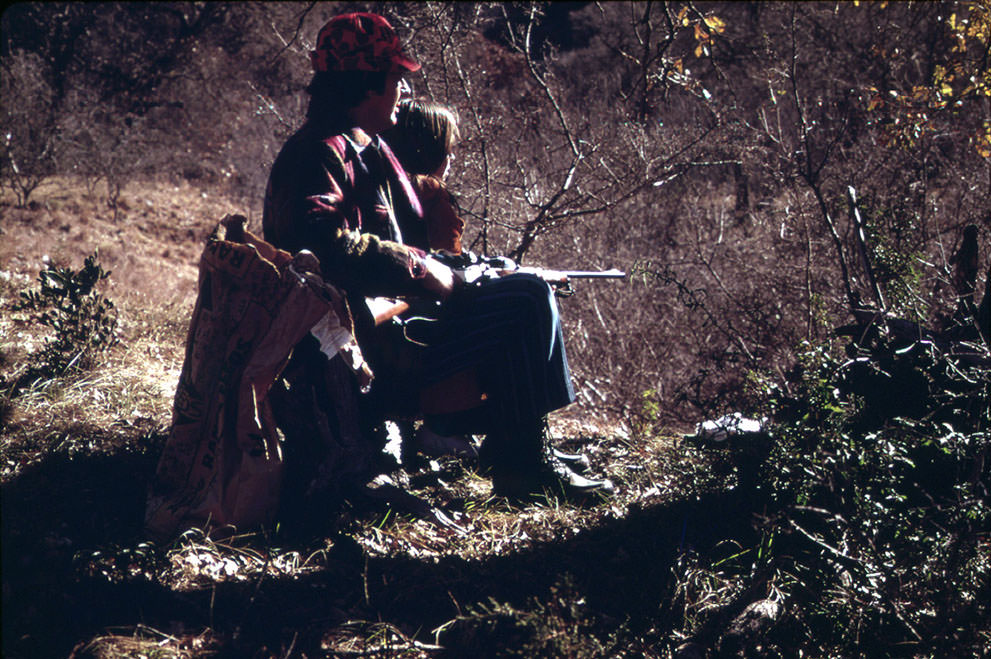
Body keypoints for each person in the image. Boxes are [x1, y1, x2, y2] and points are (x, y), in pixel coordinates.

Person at [262, 12, 612, 503]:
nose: (404, 92)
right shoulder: (317, 154)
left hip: (386, 327)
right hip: (357, 352)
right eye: (397, 79)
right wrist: (421, 270)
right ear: (366, 84)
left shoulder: (368, 148)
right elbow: (318, 244)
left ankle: (520, 450)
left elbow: (416, 245)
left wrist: (473, 267)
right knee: (527, 300)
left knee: (521, 285)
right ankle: (524, 464)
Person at [382, 99, 465, 253]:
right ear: (432, 151)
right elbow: (450, 252)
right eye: (448, 150)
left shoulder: (382, 181)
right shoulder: (432, 197)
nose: (451, 157)